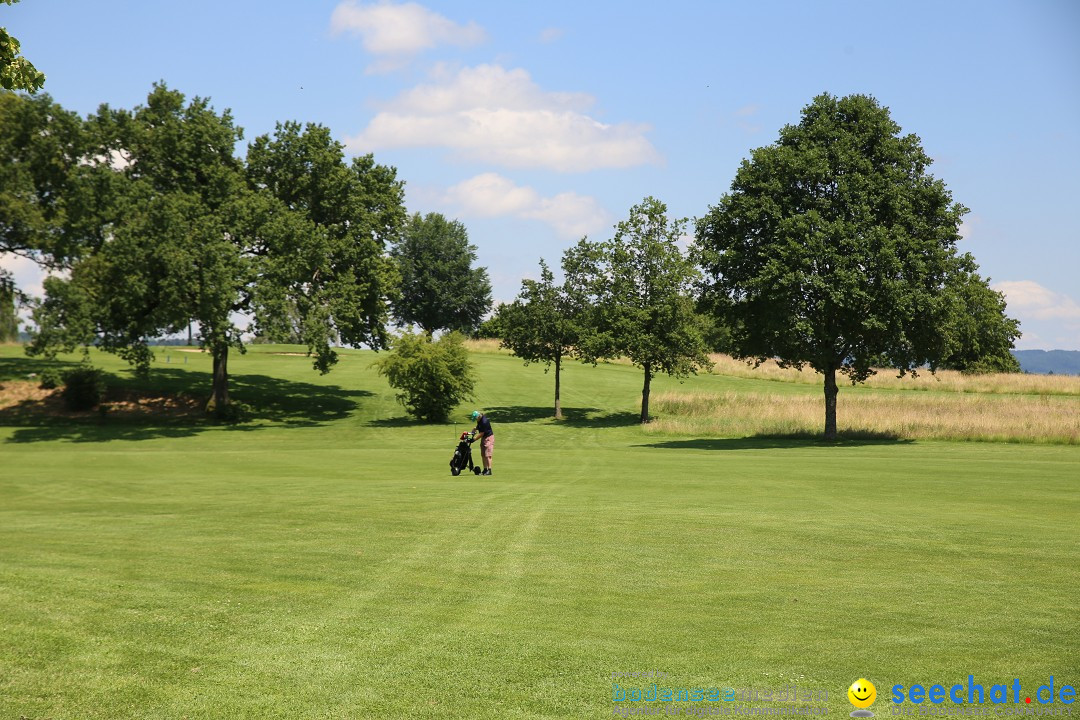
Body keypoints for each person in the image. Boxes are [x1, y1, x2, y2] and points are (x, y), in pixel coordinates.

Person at [470, 410, 494, 476]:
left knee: (488, 455)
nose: (475, 420)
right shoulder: (479, 420)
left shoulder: (484, 421)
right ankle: (485, 469)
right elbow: (479, 426)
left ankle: (489, 470)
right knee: (483, 455)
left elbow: (481, 433)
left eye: (475, 418)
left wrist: (474, 439)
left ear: (478, 416)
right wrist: (475, 428)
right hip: (484, 438)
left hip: (488, 438)